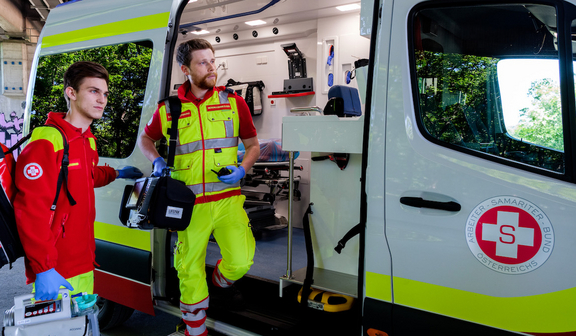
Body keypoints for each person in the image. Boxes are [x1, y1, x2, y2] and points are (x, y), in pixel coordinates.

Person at [138, 39, 260, 336]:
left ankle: (219, 283)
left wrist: (243, 169)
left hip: (227, 199)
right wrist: (155, 161)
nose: (211, 68)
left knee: (241, 261)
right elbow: (146, 140)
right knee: (188, 269)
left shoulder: (234, 102)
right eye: (203, 63)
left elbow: (253, 145)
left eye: (212, 61)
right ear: (185, 69)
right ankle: (195, 330)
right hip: (188, 205)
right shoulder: (169, 109)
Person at [14, 61, 143, 301]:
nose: (102, 99)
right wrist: (44, 268)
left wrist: (117, 173)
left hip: (84, 260)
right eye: (93, 91)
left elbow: (87, 176)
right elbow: (30, 211)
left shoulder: (88, 141)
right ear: (71, 93)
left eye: (104, 93)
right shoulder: (47, 143)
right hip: (57, 267)